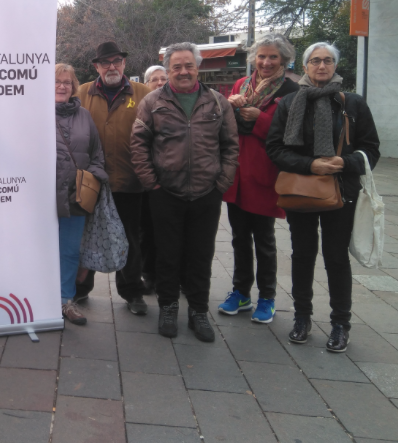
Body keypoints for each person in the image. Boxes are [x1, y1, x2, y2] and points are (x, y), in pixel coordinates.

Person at [267, 42, 379, 353]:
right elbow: (275, 149)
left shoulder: (352, 104)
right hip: (300, 191)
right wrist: (310, 164)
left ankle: (340, 323)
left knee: (336, 257)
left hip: (341, 191)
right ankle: (302, 317)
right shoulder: (289, 103)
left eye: (328, 61)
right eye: (315, 61)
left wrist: (346, 162)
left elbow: (371, 149)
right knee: (302, 255)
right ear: (304, 66)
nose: (321, 66)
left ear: (335, 66)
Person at [131, 42, 239, 342]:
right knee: (167, 253)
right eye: (175, 66)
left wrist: (222, 182)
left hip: (207, 191)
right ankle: (168, 307)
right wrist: (151, 182)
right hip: (165, 192)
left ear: (197, 67)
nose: (182, 71)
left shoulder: (218, 102)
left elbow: (231, 145)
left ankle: (198, 311)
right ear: (168, 70)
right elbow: (138, 144)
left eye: (187, 65)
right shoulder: (152, 102)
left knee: (201, 254)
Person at [218, 35, 300, 324]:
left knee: (264, 240)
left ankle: (267, 297)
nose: (266, 62)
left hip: (265, 174)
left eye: (273, 57)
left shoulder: (291, 90)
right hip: (238, 173)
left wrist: (259, 118)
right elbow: (227, 122)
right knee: (239, 237)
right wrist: (231, 104)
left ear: (284, 60)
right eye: (261, 56)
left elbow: (292, 135)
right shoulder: (242, 85)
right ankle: (240, 292)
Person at [75, 41, 153, 315]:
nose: (112, 67)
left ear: (124, 64)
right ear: (96, 67)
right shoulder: (82, 92)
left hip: (129, 181)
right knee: (84, 236)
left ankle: (132, 292)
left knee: (130, 238)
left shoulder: (144, 93)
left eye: (116, 61)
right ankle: (79, 290)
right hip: (88, 182)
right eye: (105, 62)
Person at [55, 64, 108, 325]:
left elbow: (97, 153)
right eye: (56, 81)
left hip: (76, 196)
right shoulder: (32, 113)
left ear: (74, 86)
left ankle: (66, 300)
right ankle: (37, 298)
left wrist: (94, 177)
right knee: (39, 248)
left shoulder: (84, 115)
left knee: (69, 251)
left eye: (67, 81)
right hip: (42, 197)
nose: (62, 86)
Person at [139, 65, 169, 292]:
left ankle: (173, 276)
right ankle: (149, 273)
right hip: (149, 179)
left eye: (163, 78)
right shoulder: (144, 105)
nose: (159, 82)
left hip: (175, 179)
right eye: (154, 80)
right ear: (146, 84)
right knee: (148, 231)